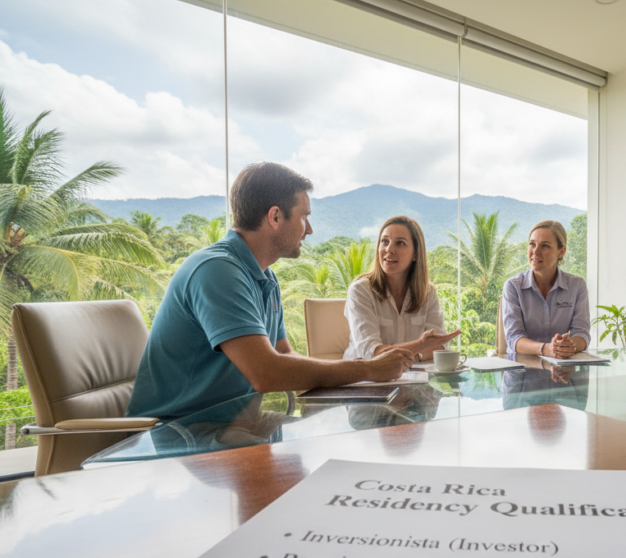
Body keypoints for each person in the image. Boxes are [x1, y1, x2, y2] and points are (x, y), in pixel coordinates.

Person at [126, 162, 413, 422]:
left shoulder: (265, 277)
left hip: (234, 426)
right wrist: (368, 369)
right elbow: (266, 372)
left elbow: (283, 354)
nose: (309, 230)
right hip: (178, 433)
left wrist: (357, 388)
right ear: (275, 217)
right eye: (304, 217)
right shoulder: (216, 270)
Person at [344, 215, 460, 361]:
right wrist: (420, 345)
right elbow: (371, 352)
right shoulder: (360, 291)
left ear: (416, 254)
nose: (389, 249)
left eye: (400, 243)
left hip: (411, 373)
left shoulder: (427, 292)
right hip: (363, 374)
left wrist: (414, 356)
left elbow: (439, 346)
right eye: (384, 241)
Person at [501, 219, 590, 358]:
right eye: (532, 244)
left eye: (545, 246)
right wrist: (545, 349)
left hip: (561, 367)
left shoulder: (577, 285)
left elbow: (582, 333)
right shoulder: (513, 286)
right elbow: (514, 338)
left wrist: (569, 346)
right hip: (522, 367)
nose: (535, 251)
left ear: (561, 252)